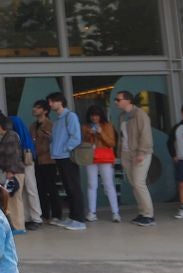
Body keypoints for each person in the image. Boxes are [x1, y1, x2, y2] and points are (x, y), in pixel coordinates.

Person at [45, 93, 87, 230]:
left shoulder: (70, 116)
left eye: (52, 101)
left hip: (67, 157)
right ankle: (73, 217)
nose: (50, 104)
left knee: (74, 187)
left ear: (60, 102)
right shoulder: (57, 120)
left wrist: (65, 149)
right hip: (59, 157)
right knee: (68, 188)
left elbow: (76, 137)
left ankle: (79, 219)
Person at [114, 91, 155, 226]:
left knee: (139, 182)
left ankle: (149, 215)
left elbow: (145, 134)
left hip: (140, 153)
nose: (116, 102)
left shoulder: (140, 114)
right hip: (127, 153)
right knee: (134, 184)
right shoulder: (122, 116)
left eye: (118, 99)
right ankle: (142, 212)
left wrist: (142, 152)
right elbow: (122, 136)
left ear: (128, 100)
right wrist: (119, 153)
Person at [82, 106, 119, 224]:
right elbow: (83, 142)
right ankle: (92, 212)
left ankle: (115, 212)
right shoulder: (85, 127)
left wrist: (100, 133)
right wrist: (89, 134)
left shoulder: (107, 126)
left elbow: (111, 142)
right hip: (91, 157)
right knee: (92, 184)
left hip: (105, 157)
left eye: (96, 115)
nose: (94, 117)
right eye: (92, 115)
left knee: (108, 184)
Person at [31, 101, 61, 227]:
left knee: (51, 188)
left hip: (48, 160)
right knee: (40, 188)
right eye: (34, 107)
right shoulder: (33, 125)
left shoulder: (50, 125)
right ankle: (44, 213)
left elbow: (47, 144)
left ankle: (56, 214)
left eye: (38, 108)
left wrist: (35, 151)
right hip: (37, 161)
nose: (34, 110)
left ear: (45, 111)